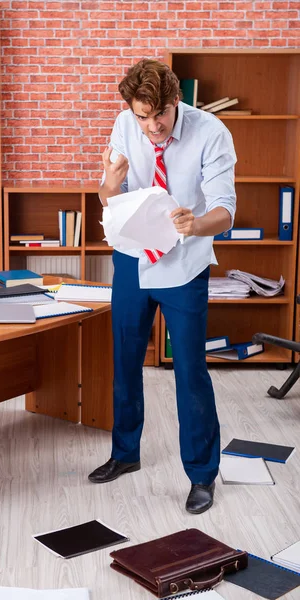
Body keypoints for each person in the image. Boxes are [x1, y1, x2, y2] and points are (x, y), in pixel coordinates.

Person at [88, 58, 237, 514]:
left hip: (184, 264)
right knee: (125, 362)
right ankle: (125, 453)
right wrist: (107, 189)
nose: (151, 127)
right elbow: (110, 199)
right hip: (133, 260)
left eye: (159, 116)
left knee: (191, 371)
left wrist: (196, 224)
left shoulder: (211, 132)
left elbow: (226, 211)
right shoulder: (124, 124)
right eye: (141, 116)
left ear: (176, 102)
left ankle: (201, 474)